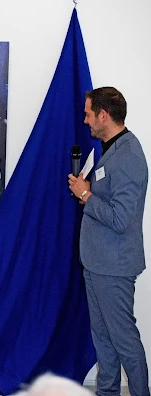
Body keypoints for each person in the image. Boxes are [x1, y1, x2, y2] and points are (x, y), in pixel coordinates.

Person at [68, 87, 150, 396]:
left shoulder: (128, 155)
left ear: (104, 115)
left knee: (125, 341)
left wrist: (87, 195)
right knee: (103, 340)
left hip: (114, 267)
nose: (86, 120)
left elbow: (121, 218)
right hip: (97, 262)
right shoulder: (112, 148)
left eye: (89, 114)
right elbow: (110, 201)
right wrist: (89, 193)